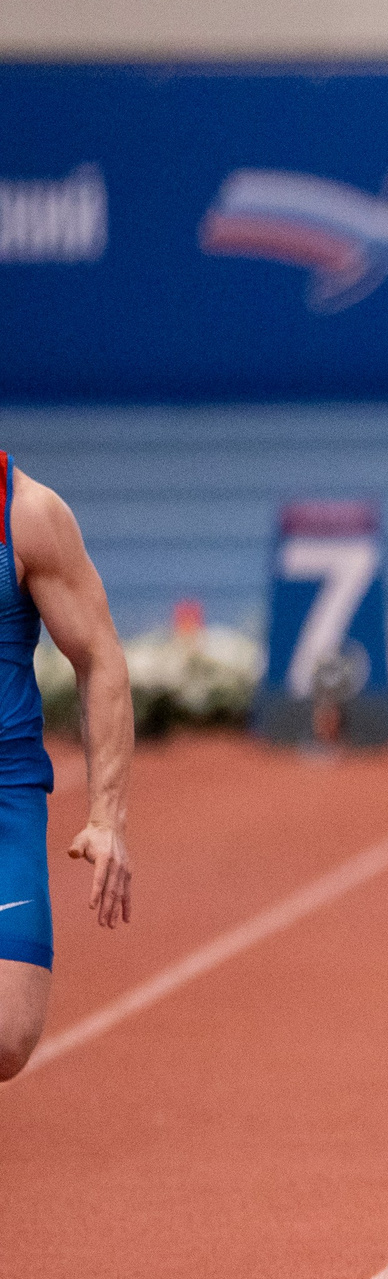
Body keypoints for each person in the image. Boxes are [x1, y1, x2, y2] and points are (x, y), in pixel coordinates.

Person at [0, 456, 134, 1080]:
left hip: (6, 794)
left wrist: (106, 814)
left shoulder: (26, 514)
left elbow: (99, 655)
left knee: (7, 1034)